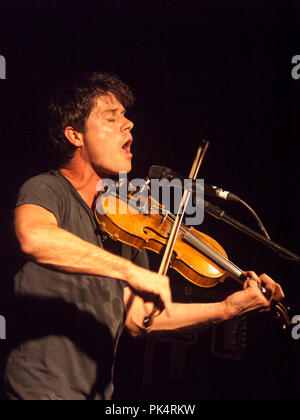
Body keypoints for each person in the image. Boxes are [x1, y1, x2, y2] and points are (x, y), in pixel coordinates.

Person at [3, 71, 284, 400]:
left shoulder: (125, 225)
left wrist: (226, 309)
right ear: (75, 135)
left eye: (126, 115)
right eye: (111, 117)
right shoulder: (47, 188)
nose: (128, 124)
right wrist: (130, 271)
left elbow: (139, 319)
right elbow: (33, 237)